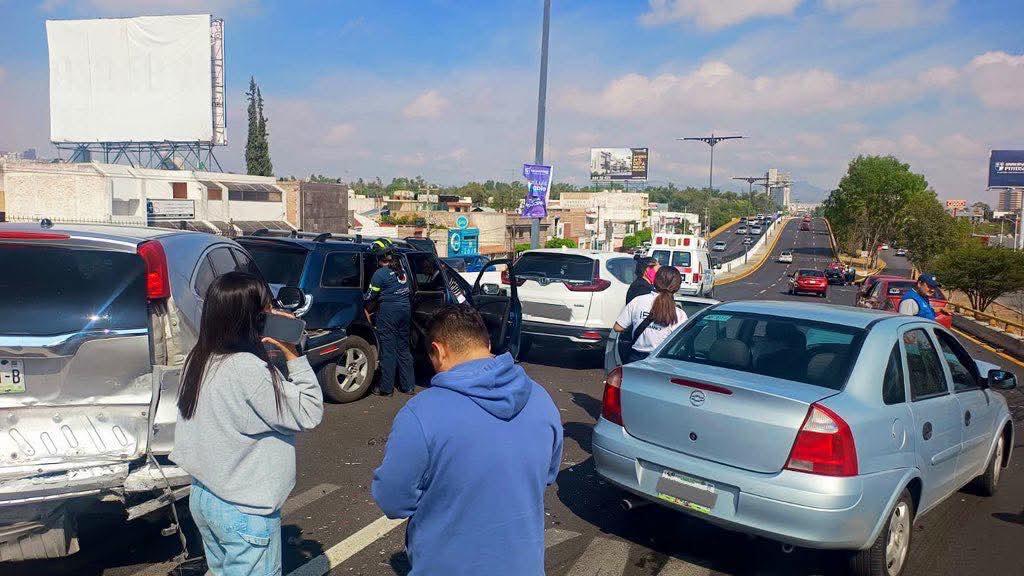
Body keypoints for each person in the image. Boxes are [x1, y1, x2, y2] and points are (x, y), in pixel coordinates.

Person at [372, 305, 562, 576]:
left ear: (438, 350)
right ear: (486, 343)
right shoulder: (541, 398)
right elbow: (547, 474)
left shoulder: (421, 412)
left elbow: (392, 499)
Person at [170, 272, 323, 576]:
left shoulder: (199, 357)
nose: (272, 314)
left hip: (206, 496)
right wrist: (293, 354)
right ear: (250, 318)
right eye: (267, 309)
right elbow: (309, 410)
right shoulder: (248, 370)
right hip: (243, 507)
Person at [366, 241, 415, 396]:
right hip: (405, 310)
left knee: (388, 350)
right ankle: (408, 386)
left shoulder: (379, 274)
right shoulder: (402, 270)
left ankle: (386, 388)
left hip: (388, 313)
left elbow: (370, 296)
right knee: (403, 348)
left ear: (379, 257)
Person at [614, 266, 687, 363]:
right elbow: (681, 342)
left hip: (636, 358)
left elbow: (618, 327)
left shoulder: (638, 301)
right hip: (662, 360)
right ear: (677, 287)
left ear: (655, 281)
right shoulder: (680, 314)